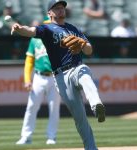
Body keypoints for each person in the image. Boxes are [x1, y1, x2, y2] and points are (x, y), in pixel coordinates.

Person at [11, 0, 105, 149]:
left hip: (76, 67)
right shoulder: (47, 29)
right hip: (61, 76)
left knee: (85, 72)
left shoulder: (73, 28)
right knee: (80, 119)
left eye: (62, 8)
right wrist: (19, 28)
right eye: (57, 8)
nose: (61, 10)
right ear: (49, 13)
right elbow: (30, 31)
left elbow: (89, 50)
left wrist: (82, 44)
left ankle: (96, 104)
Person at [16, 25, 61, 144]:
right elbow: (29, 61)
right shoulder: (34, 39)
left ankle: (52, 137)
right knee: (31, 107)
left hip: (55, 77)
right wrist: (27, 79)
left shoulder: (56, 38)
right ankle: (26, 136)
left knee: (54, 108)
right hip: (38, 77)